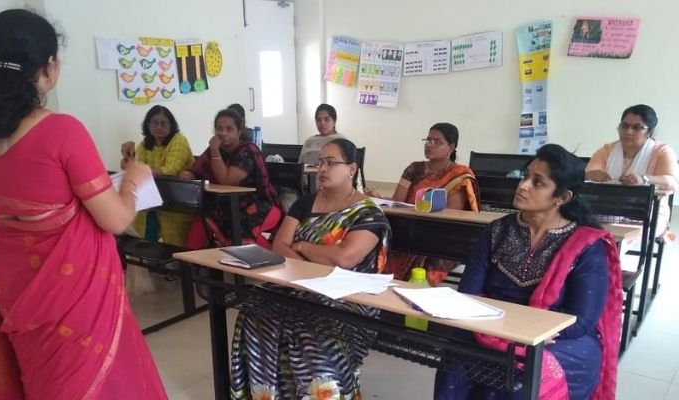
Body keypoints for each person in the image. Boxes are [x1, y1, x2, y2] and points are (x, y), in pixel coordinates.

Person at [0, 9, 167, 399]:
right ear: (50, 65)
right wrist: (133, 182)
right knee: (90, 380)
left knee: (42, 381)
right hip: (70, 291)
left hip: (14, 282)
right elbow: (115, 220)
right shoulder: (61, 130)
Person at [434, 144, 622, 400]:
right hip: (493, 328)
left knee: (525, 376)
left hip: (557, 338)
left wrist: (533, 334)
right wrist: (503, 331)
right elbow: (469, 292)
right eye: (525, 176)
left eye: (538, 182)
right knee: (456, 356)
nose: (523, 185)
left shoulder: (586, 245)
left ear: (562, 197)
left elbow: (582, 319)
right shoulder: (497, 231)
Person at [230, 138, 391, 399]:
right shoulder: (305, 203)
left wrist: (303, 246)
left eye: (331, 163)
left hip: (348, 296)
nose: (322, 169)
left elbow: (345, 258)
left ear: (351, 169)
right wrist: (314, 263)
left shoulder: (367, 212)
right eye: (320, 162)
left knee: (313, 326)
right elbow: (280, 246)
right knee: (255, 310)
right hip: (298, 283)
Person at [369, 123, 479, 285]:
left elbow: (451, 214)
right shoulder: (414, 169)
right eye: (427, 140)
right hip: (408, 230)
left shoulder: (459, 176)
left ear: (451, 147)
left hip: (442, 236)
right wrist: (378, 198)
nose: (429, 145)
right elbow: (397, 201)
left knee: (422, 268)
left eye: (436, 141)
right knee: (376, 251)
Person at [178, 109, 281, 248]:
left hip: (256, 206)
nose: (223, 133)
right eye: (219, 129)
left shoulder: (248, 150)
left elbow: (225, 180)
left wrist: (215, 150)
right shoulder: (214, 150)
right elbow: (196, 169)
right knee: (201, 219)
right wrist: (188, 174)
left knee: (239, 232)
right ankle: (193, 259)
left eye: (229, 129)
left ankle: (266, 256)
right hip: (226, 205)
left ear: (239, 132)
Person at [585, 104, 679, 238]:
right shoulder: (607, 150)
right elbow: (590, 171)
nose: (628, 132)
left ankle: (613, 249)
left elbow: (672, 182)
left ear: (649, 132)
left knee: (619, 235)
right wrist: (591, 174)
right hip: (606, 207)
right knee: (580, 224)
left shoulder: (661, 151)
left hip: (649, 210)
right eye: (624, 126)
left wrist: (644, 179)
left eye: (637, 127)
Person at [119, 105, 194, 245]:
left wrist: (135, 170)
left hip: (178, 203)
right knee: (121, 223)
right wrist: (128, 159)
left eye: (164, 123)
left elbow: (170, 170)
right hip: (153, 202)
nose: (159, 127)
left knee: (174, 248)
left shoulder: (179, 140)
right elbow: (134, 167)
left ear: (171, 125)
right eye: (154, 123)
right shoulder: (146, 143)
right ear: (148, 125)